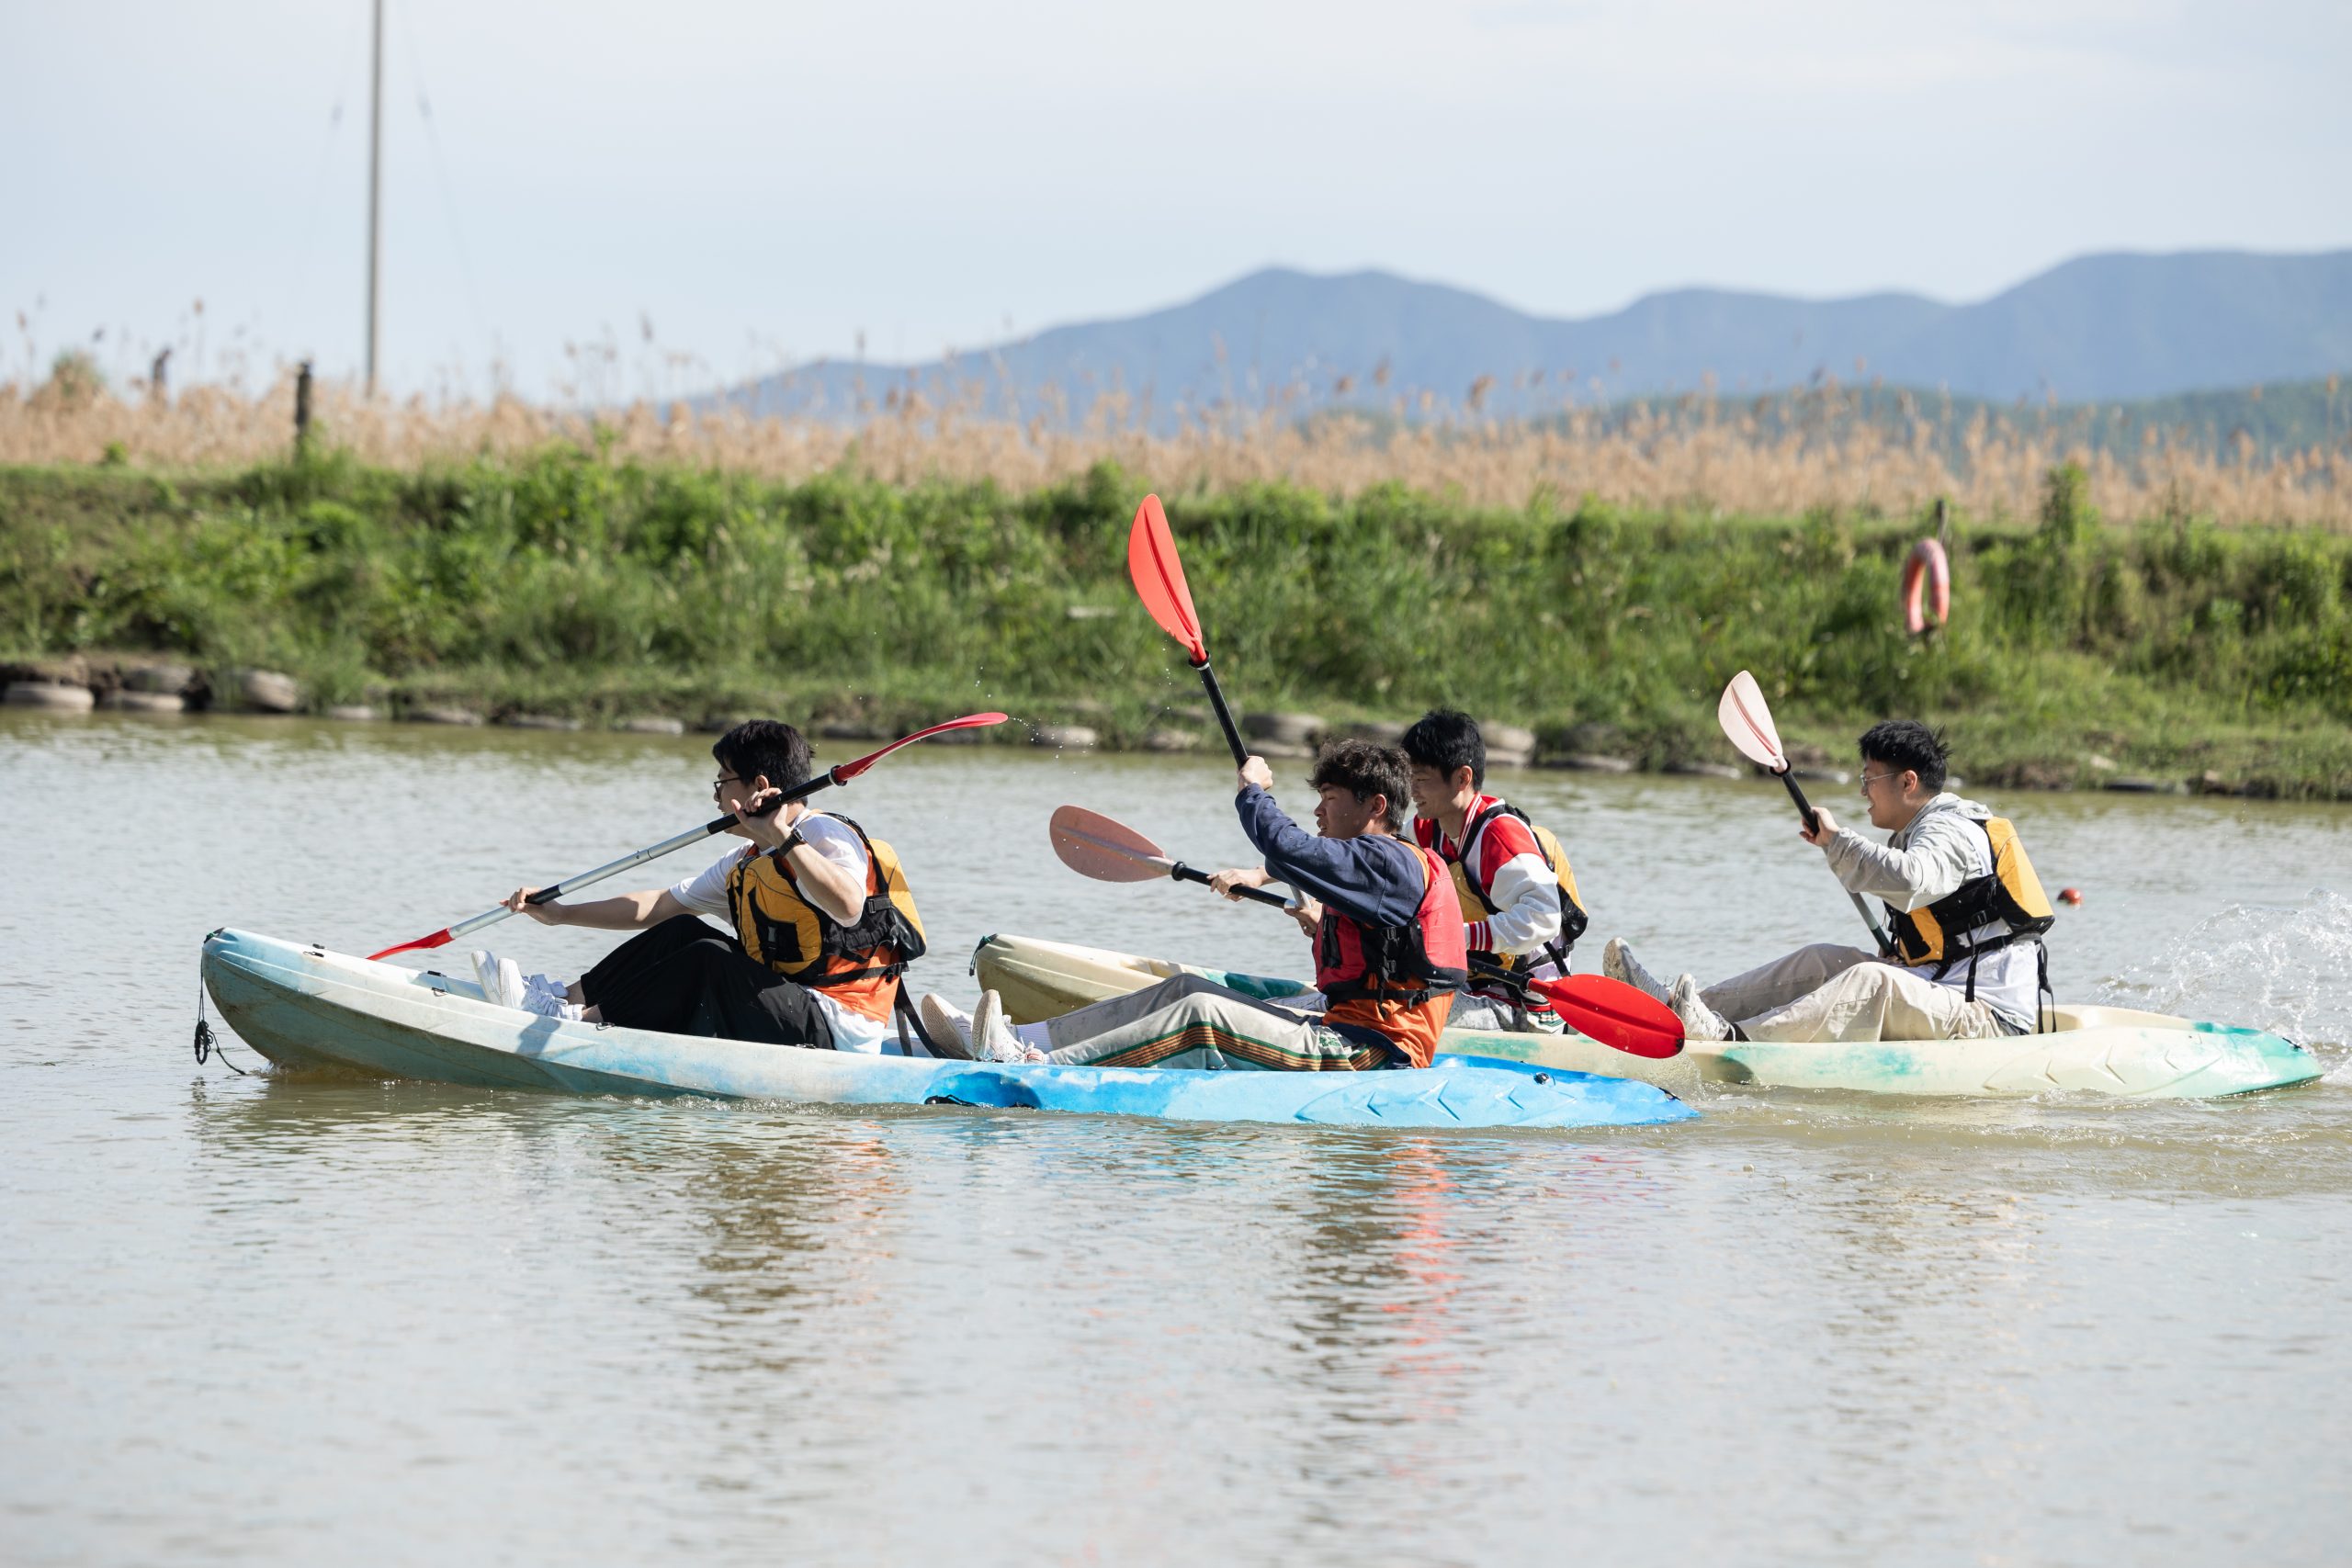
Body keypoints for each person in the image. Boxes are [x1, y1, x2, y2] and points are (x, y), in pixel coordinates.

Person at [921, 739, 1467, 1070]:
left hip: (1374, 1051)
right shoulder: (1376, 865)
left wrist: (1253, 791)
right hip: (1344, 1026)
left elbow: (1291, 847)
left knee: (1201, 1014)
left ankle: (1038, 1067)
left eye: (1329, 800)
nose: (1319, 813)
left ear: (1375, 806)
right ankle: (1016, 1038)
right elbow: (1304, 865)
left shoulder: (1389, 863)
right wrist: (1270, 881)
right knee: (1183, 988)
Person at [470, 719, 929, 1055]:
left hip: (839, 1028)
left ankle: (583, 1024)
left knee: (708, 958)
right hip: (787, 1006)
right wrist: (561, 914)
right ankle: (563, 1001)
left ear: (758, 787)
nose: (715, 796)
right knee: (681, 930)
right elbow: (656, 905)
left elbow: (849, 907)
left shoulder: (825, 833)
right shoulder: (746, 859)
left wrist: (783, 836)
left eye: (722, 781)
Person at [1606, 720, 2054, 1043]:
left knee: (1872, 980)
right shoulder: (1917, 830)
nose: (1862, 792)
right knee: (1822, 959)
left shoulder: (1950, 830)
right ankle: (1679, 1009)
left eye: (1869, 779)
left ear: (1908, 782)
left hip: (1989, 1021)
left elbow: (1911, 880)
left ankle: (1730, 1039)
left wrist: (1839, 842)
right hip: (1942, 988)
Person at [1400, 709, 1588, 1033]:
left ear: (1462, 778)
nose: (1412, 790)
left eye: (1422, 779)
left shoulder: (1501, 838)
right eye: (1410, 778)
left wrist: (1455, 935)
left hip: (1526, 1005)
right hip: (1469, 987)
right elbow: (1378, 868)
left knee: (1397, 1004)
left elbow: (1544, 919)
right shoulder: (1425, 830)